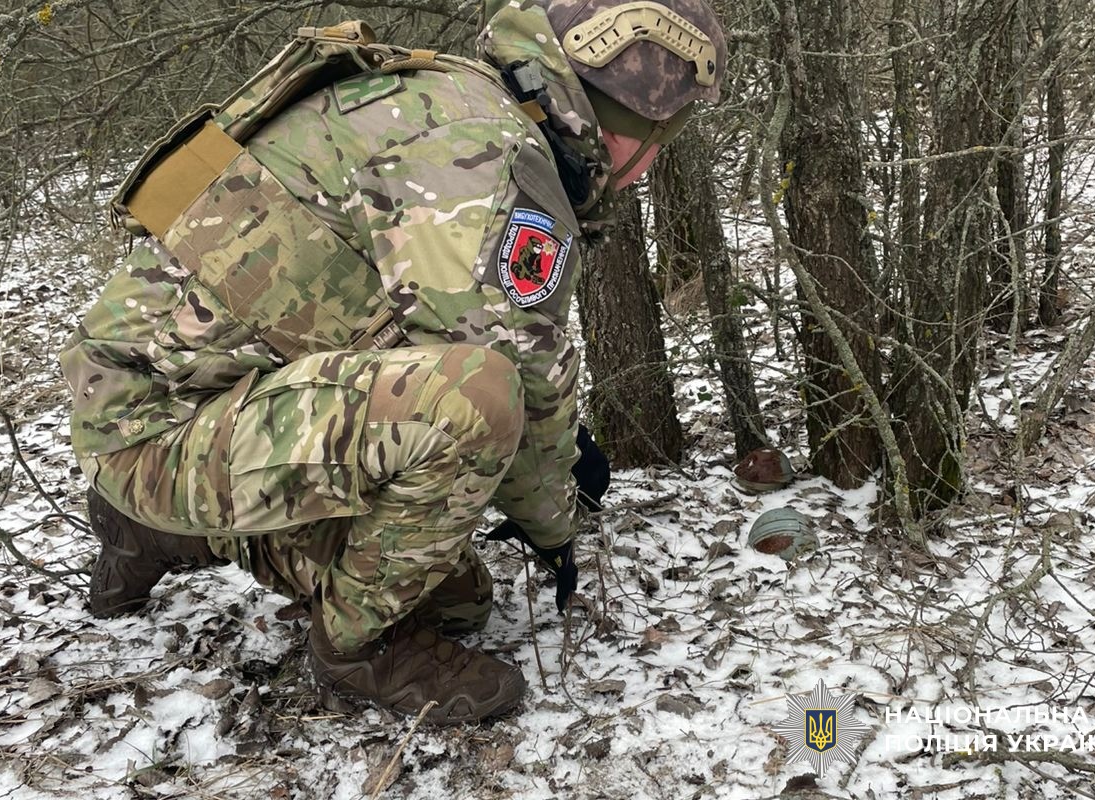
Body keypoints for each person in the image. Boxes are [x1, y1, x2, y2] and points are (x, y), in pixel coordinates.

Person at [61, 0, 726, 725]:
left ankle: (152, 527)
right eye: (665, 136)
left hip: (171, 405)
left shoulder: (450, 99)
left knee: (460, 599)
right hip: (154, 428)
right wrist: (555, 524)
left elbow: (417, 329)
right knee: (479, 397)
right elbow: (507, 379)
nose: (656, 160)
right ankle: (360, 647)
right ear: (629, 127)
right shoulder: (497, 152)